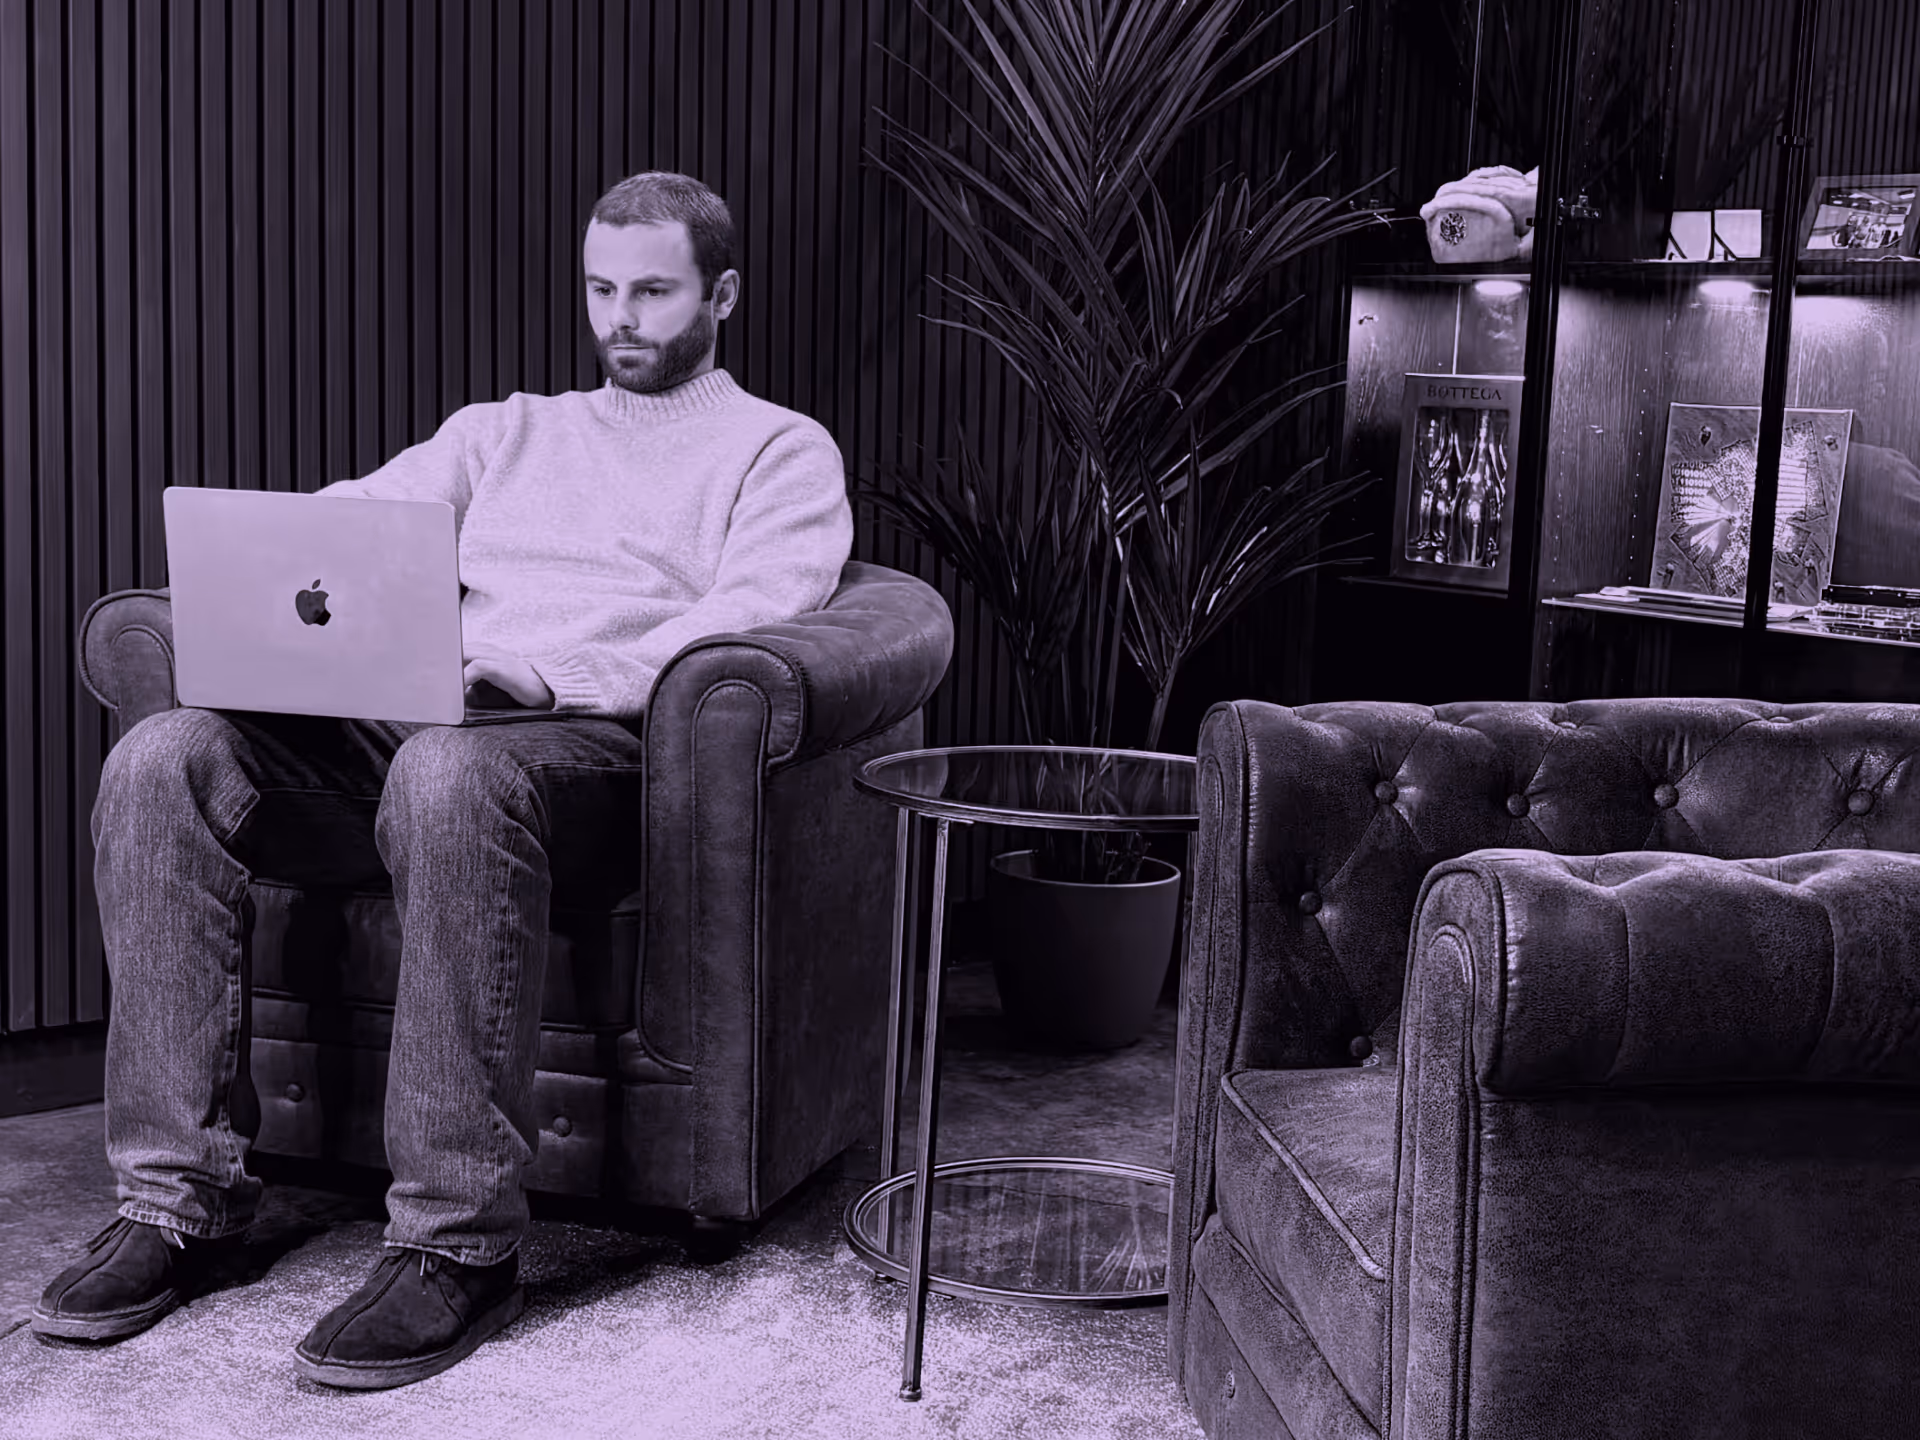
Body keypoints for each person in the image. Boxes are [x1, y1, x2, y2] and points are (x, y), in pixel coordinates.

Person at [30, 172, 854, 1389]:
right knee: (166, 757)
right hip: (428, 726)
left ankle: (456, 1244)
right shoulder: (501, 431)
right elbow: (341, 534)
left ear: (721, 295)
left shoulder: (778, 451)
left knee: (454, 773)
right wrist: (286, 594)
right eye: (600, 288)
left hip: (598, 754)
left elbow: (749, 618)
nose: (620, 317)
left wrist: (546, 670)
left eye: (653, 291)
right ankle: (179, 1208)